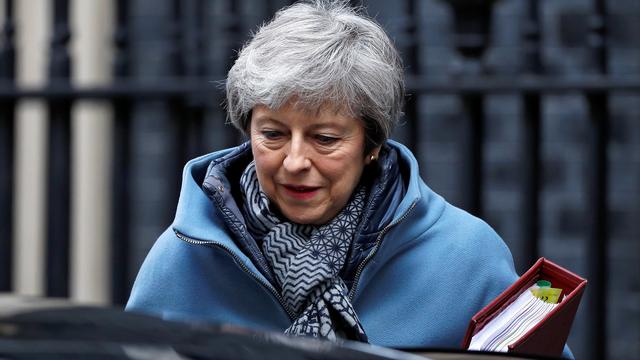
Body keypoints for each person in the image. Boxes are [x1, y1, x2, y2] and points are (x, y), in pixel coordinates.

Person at [126, 0, 572, 356]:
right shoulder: (186, 253)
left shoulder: (466, 255)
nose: (295, 161)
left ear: (372, 144)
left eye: (324, 138)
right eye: (273, 134)